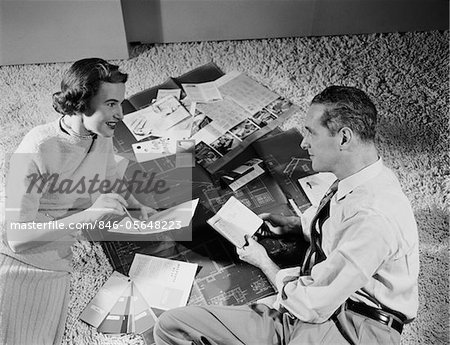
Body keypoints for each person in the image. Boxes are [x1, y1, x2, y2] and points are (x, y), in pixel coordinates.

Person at [153, 86, 419, 345]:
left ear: (344, 138)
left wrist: (265, 263)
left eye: (312, 134)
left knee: (173, 328)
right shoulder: (367, 176)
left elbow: (310, 305)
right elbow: (342, 222)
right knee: (173, 324)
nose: (304, 143)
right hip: (337, 309)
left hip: (350, 328)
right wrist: (298, 224)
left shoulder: (373, 219)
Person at [1, 58, 154, 344]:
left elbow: (109, 176)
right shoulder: (36, 148)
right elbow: (17, 239)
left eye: (120, 103)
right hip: (29, 236)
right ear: (82, 104)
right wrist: (86, 217)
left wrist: (135, 204)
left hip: (67, 221)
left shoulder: (101, 132)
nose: (120, 114)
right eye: (110, 104)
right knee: (21, 329)